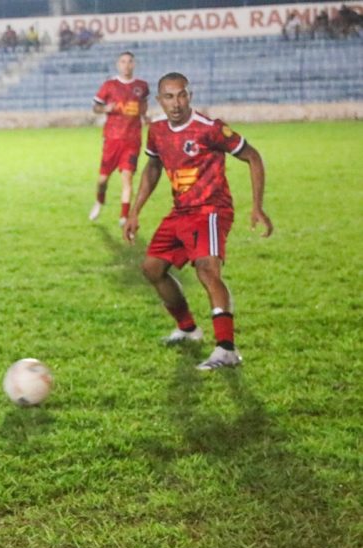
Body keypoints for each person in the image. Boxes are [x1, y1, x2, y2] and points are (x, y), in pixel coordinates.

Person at [123, 72, 273, 371]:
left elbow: (253, 157)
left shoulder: (211, 129)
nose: (176, 103)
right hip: (181, 211)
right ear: (159, 100)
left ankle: (226, 349)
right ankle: (189, 329)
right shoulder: (157, 131)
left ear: (189, 96)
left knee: (206, 269)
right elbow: (153, 167)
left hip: (211, 210)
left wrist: (257, 207)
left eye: (181, 95)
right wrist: (135, 211)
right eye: (169, 96)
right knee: (152, 269)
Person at [90, 52, 149, 226]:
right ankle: (99, 201)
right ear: (118, 64)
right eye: (123, 62)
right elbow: (96, 107)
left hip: (132, 140)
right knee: (102, 180)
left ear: (134, 64)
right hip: (112, 140)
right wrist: (106, 108)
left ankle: (124, 217)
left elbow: (143, 104)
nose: (126, 65)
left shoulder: (142, 86)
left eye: (130, 61)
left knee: (127, 178)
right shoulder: (109, 85)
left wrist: (144, 116)